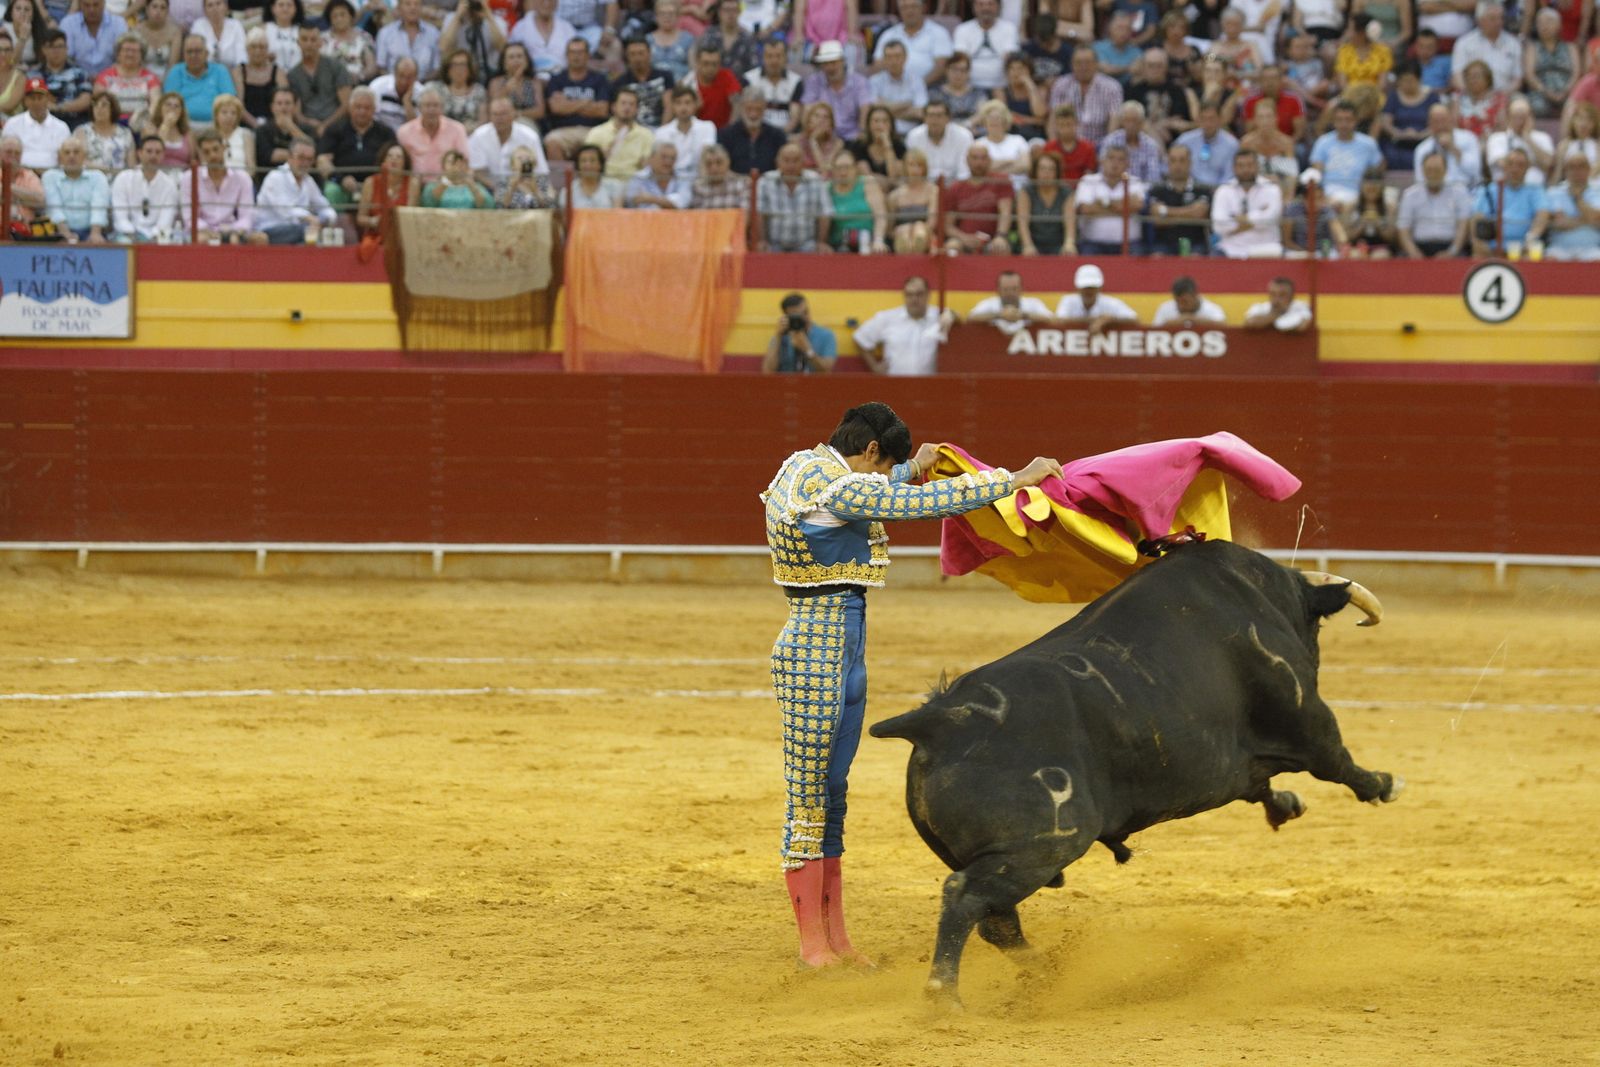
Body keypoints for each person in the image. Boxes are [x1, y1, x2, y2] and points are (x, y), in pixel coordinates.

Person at [763, 401, 1060, 968]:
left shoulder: (810, 468)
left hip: (840, 643)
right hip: (814, 650)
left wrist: (910, 465)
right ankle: (812, 948)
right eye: (884, 464)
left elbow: (876, 485)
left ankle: (838, 941)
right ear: (870, 450)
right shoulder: (839, 485)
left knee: (832, 795)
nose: (884, 475)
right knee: (807, 800)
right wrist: (1013, 480)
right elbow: (904, 502)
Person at [853, 275, 955, 375]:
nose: (914, 299)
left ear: (928, 295)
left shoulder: (939, 316)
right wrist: (874, 367)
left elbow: (958, 317)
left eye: (919, 294)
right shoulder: (887, 318)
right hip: (895, 386)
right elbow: (860, 337)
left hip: (930, 386)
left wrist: (952, 315)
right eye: (909, 295)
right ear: (904, 296)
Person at [318, 85, 398, 207]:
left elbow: (395, 161)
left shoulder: (386, 133)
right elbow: (322, 161)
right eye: (358, 107)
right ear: (350, 108)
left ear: (374, 109)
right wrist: (341, 179)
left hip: (377, 184)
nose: (362, 111)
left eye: (367, 108)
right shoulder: (334, 129)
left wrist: (374, 182)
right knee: (332, 191)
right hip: (342, 185)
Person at [182, 129, 262, 244]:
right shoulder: (189, 178)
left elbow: (247, 217)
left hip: (233, 230)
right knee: (201, 239)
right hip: (202, 232)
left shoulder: (242, 178)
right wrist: (210, 231)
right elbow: (189, 218)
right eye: (206, 152)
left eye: (216, 149)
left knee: (259, 239)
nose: (213, 155)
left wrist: (230, 231)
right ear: (200, 153)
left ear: (224, 148)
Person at [1067, 143, 1146, 255]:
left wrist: (1102, 203)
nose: (1115, 163)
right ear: (1102, 161)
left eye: (1120, 159)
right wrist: (1123, 207)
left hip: (1130, 245)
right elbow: (1085, 209)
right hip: (1093, 244)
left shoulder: (1135, 182)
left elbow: (1137, 205)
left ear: (1128, 164)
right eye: (1111, 158)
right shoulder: (1088, 180)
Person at [256, 137, 338, 242]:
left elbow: (323, 205)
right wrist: (310, 218)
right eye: (301, 158)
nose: (305, 163)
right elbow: (285, 210)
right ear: (289, 157)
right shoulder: (275, 177)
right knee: (308, 233)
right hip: (270, 229)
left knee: (328, 234)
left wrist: (327, 219)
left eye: (309, 159)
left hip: (298, 231)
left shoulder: (308, 181)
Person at [542, 37, 611, 160]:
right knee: (551, 141)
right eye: (572, 52)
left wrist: (568, 104)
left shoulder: (599, 79)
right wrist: (586, 102)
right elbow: (556, 108)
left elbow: (602, 110)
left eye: (580, 52)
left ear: (588, 55)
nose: (576, 56)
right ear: (567, 55)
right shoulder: (557, 80)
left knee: (608, 142)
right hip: (564, 131)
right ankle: (560, 180)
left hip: (594, 130)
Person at [756, 141, 831, 250]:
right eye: (786, 160)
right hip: (773, 246)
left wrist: (821, 242)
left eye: (796, 160)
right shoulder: (765, 181)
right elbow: (759, 213)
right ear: (778, 161)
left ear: (803, 162)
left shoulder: (815, 180)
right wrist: (762, 240)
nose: (791, 165)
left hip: (807, 246)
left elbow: (825, 213)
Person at [1309, 99, 1384, 206]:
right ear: (1333, 121)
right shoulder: (1323, 142)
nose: (1344, 124)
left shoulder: (1368, 144)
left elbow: (1375, 173)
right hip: (1329, 193)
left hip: (1360, 194)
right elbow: (1317, 174)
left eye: (1348, 120)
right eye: (1339, 120)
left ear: (1356, 121)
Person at [1526, 151, 1600, 260]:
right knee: (1549, 259)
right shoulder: (1553, 193)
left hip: (1591, 249)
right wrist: (1587, 220)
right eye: (1572, 167)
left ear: (1589, 169)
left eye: (1581, 167)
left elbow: (1596, 218)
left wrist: (1578, 199)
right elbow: (1557, 222)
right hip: (1559, 249)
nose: (1577, 171)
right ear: (1565, 171)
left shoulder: (1597, 191)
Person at [1397, 149, 1472, 256]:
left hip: (1450, 246)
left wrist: (1452, 252)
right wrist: (1414, 253)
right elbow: (1403, 228)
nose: (1432, 174)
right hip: (1418, 246)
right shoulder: (1410, 195)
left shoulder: (1459, 193)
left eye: (1437, 170)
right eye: (1429, 170)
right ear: (1422, 170)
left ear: (1445, 170)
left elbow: (1463, 226)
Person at [1211, 147, 1283, 257]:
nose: (1245, 170)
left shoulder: (1272, 189)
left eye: (1250, 165)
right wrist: (1259, 215)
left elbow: (1270, 219)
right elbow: (1219, 226)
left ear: (1257, 166)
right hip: (1230, 249)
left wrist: (1240, 219)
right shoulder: (1224, 190)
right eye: (1241, 166)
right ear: (1234, 168)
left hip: (1266, 248)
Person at [943, 143, 1012, 254]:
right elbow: (948, 225)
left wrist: (1000, 235)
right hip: (963, 240)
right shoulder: (955, 188)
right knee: (951, 247)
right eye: (974, 158)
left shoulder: (1001, 181)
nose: (979, 163)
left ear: (989, 160)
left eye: (983, 158)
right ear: (967, 160)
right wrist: (964, 238)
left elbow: (1005, 213)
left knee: (1001, 247)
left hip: (992, 239)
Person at [109, 134, 180, 240]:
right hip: (127, 236)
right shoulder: (123, 178)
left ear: (163, 155)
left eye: (158, 152)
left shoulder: (170, 184)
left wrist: (151, 238)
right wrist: (135, 237)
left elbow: (166, 221)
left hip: (157, 238)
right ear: (140, 153)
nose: (153, 156)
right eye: (149, 151)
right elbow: (120, 218)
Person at [1147, 142, 1213, 255]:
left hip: (1196, 243)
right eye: (1173, 160)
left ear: (1190, 163)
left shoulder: (1202, 189)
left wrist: (1166, 211)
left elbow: (1199, 215)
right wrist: (1189, 213)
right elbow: (1157, 220)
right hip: (1164, 244)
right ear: (1167, 163)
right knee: (1157, 258)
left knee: (1197, 259)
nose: (1177, 165)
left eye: (1182, 160)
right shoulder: (1157, 190)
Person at [1470, 145, 1539, 253]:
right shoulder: (1488, 190)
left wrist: (1531, 237)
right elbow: (1478, 218)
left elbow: (1542, 215)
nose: (1515, 169)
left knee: (1535, 250)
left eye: (1520, 165)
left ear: (1527, 168)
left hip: (1523, 247)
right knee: (1478, 247)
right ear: (1504, 166)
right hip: (1491, 247)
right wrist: (1479, 243)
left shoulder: (1535, 191)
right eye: (1510, 164)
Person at [1048, 44, 1123, 143]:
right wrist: (1055, 147)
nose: (1083, 67)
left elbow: (1114, 121)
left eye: (1088, 62)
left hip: (1099, 144)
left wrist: (1106, 149)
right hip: (1067, 144)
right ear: (1071, 65)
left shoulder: (1112, 87)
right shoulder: (1061, 84)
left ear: (1096, 64)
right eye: (1078, 63)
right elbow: (1053, 119)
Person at [291, 22, 355, 136]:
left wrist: (325, 125)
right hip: (307, 128)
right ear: (298, 43)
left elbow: (346, 104)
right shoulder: (292, 75)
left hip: (337, 126)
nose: (309, 44)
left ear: (321, 42)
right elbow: (296, 112)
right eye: (304, 39)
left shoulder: (336, 67)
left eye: (313, 39)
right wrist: (309, 123)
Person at [43, 137, 111, 243]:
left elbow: (99, 207)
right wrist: (66, 234)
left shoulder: (98, 177)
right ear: (60, 157)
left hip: (90, 231)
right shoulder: (49, 176)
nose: (71, 156)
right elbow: (54, 208)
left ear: (84, 156)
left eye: (76, 152)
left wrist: (95, 233)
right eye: (67, 152)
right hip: (58, 231)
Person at [870, 0, 952, 86]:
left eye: (914, 6)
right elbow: (878, 66)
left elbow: (941, 67)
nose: (909, 11)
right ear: (899, 11)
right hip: (893, 89)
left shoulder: (939, 32)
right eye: (905, 7)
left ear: (923, 8)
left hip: (929, 88)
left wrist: (917, 87)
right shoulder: (889, 34)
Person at [800, 39, 870, 142]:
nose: (830, 67)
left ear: (842, 61)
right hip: (822, 136)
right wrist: (808, 133)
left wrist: (862, 132)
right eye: (826, 63)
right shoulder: (814, 81)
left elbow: (865, 108)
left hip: (853, 137)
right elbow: (807, 109)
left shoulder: (858, 81)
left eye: (833, 62)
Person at [398, 85, 471, 176]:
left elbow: (463, 161)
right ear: (419, 108)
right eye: (427, 105)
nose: (431, 110)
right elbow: (400, 164)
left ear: (442, 108)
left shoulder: (457, 129)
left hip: (446, 184)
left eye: (436, 105)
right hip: (415, 184)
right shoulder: (404, 132)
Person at [581, 83, 651, 177]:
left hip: (634, 184)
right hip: (604, 182)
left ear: (637, 109)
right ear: (613, 107)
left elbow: (648, 168)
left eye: (631, 104)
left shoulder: (647, 135)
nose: (627, 108)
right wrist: (602, 157)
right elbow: (585, 165)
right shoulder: (596, 133)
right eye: (623, 103)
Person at [1451, 0, 1522, 93]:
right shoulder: (1464, 43)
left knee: (1520, 106)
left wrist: (1501, 96)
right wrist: (1472, 94)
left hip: (1505, 95)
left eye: (1501, 18)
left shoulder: (1513, 43)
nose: (1499, 22)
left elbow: (1518, 79)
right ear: (1480, 20)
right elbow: (1457, 76)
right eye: (1493, 18)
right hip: (1471, 95)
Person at [1129, 49, 1196, 144]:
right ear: (1143, 67)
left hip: (1174, 140)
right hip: (1142, 140)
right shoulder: (1134, 90)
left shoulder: (1176, 89)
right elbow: (1133, 118)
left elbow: (1178, 118)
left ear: (1166, 67)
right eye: (1151, 65)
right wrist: (1155, 128)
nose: (1155, 70)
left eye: (1159, 66)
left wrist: (1162, 124)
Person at [162, 32, 232, 124]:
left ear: (206, 54)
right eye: (189, 52)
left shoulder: (220, 71)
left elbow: (229, 102)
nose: (193, 56)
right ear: (183, 55)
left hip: (216, 125)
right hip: (183, 125)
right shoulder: (176, 72)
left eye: (198, 51)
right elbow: (169, 104)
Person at [761, 291, 837, 373]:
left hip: (814, 384)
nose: (804, 317)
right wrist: (778, 336)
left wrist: (807, 350)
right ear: (787, 317)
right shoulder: (781, 336)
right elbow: (768, 371)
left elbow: (826, 369)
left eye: (805, 312)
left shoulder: (825, 335)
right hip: (787, 383)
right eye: (796, 316)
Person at [1484, 95, 1554, 184]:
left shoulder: (1543, 137)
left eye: (1524, 116)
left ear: (1531, 117)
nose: (1521, 121)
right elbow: (1504, 164)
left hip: (1535, 190)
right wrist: (1533, 163)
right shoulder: (1497, 138)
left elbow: (1548, 164)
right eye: (1517, 116)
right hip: (1505, 189)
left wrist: (1528, 138)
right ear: (1508, 117)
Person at [1522, 6, 1576, 119]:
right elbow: (1529, 75)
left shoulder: (1570, 47)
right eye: (1540, 23)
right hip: (1540, 92)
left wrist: (1565, 91)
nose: (1544, 26)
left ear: (1559, 26)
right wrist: (1546, 92)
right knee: (1537, 107)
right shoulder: (1532, 48)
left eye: (1549, 21)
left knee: (1574, 106)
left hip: (1567, 91)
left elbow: (1576, 73)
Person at [1413, 101, 1483, 187]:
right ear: (1429, 124)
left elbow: (1475, 173)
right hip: (1436, 194)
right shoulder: (1422, 149)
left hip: (1468, 192)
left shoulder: (1469, 138)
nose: (1441, 126)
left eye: (1443, 120)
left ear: (1451, 119)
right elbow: (1420, 181)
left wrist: (1453, 148)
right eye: (1436, 122)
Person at [951, 0, 1016, 92]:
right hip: (970, 87)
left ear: (998, 7)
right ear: (973, 7)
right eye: (981, 4)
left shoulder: (1009, 28)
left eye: (990, 4)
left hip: (1002, 86)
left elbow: (1010, 57)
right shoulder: (962, 29)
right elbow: (961, 59)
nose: (986, 8)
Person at [653, 84, 715, 180]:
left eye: (687, 103)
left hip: (699, 178)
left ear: (695, 105)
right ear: (672, 106)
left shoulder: (707, 127)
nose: (683, 107)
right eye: (678, 103)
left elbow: (707, 156)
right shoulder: (661, 132)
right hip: (672, 180)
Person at [95, 35, 162, 124]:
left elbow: (155, 103)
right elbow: (98, 103)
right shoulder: (105, 76)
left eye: (134, 51)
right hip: (112, 122)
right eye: (126, 50)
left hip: (142, 122)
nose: (130, 54)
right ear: (118, 54)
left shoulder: (150, 77)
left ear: (142, 55)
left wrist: (145, 120)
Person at [721, 87, 788, 175]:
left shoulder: (777, 135)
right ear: (741, 107)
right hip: (735, 184)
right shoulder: (726, 135)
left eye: (758, 109)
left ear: (765, 108)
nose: (753, 114)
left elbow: (783, 165)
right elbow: (721, 166)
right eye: (749, 109)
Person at [34, 30, 93, 129]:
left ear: (67, 48)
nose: (56, 51)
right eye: (52, 46)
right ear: (43, 49)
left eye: (60, 46)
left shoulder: (80, 73)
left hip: (76, 121)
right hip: (43, 122)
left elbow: (86, 100)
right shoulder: (35, 74)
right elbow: (33, 100)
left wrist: (59, 108)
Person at [10, 77, 73, 170]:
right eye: (32, 98)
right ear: (25, 101)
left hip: (53, 174)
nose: (36, 102)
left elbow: (66, 157)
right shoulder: (13, 124)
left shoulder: (61, 127)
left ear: (48, 99)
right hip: (21, 174)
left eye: (40, 98)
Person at [1099, 99, 1167, 184]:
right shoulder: (1110, 141)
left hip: (1142, 192)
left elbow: (1153, 178)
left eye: (1134, 121)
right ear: (1122, 122)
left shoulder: (1150, 145)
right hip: (1113, 189)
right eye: (1127, 120)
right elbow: (1102, 172)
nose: (1131, 125)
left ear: (1141, 123)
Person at [903, 98, 971, 183]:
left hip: (955, 187)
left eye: (939, 115)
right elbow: (911, 170)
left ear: (948, 118)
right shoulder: (914, 136)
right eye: (930, 115)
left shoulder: (963, 136)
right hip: (923, 187)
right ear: (924, 118)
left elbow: (964, 172)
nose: (934, 120)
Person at [1055, 262, 1138, 331]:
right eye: (1085, 288)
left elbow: (1134, 319)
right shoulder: (1068, 301)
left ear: (1099, 288)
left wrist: (1109, 320)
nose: (1089, 291)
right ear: (1077, 288)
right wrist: (1097, 320)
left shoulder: (1111, 303)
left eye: (1092, 287)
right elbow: (1059, 320)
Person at [867, 39, 925, 135]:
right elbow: (874, 110)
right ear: (884, 59)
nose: (893, 61)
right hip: (882, 133)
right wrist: (907, 104)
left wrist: (886, 108)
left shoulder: (916, 80)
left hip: (911, 133)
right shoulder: (874, 81)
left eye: (897, 56)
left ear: (905, 57)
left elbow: (920, 112)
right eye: (889, 57)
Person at [1173, 101, 1238, 188]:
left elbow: (1230, 175)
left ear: (1220, 119)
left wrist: (1219, 190)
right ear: (1198, 120)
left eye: (1211, 119)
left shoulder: (1231, 144)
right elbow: (1171, 165)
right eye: (1203, 119)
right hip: (1189, 188)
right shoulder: (1184, 141)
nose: (1207, 124)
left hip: (1220, 190)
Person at [1017, 150, 1070, 255]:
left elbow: (1070, 221)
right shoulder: (1026, 191)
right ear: (1035, 171)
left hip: (1058, 244)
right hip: (1032, 242)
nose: (1047, 173)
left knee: (1069, 252)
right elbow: (1023, 222)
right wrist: (1028, 245)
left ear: (1057, 172)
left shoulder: (1066, 192)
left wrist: (1069, 243)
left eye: (1051, 169)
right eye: (1042, 169)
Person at [968, 269, 1054, 334]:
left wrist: (1023, 315)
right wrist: (999, 315)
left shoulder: (1033, 303)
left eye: (1014, 288)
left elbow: (1050, 319)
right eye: (1006, 289)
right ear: (998, 290)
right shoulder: (989, 303)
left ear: (1021, 289)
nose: (1010, 293)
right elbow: (971, 318)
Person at [613, 35, 673, 129]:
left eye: (641, 53)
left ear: (649, 54)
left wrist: (662, 132)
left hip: (661, 128)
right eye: (632, 54)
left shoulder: (665, 76)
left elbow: (669, 107)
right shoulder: (620, 82)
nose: (637, 58)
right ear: (627, 57)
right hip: (632, 131)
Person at [745, 37, 802, 133]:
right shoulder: (750, 79)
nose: (774, 61)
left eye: (778, 56)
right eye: (769, 56)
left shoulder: (796, 81)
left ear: (786, 58)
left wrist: (780, 136)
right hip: (756, 133)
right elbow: (746, 113)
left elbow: (794, 118)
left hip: (786, 134)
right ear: (763, 58)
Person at [72, 90, 138, 172]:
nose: (99, 108)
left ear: (112, 108)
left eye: (104, 105)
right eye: (95, 105)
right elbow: (79, 161)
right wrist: (105, 170)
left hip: (120, 180)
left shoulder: (125, 133)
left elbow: (131, 165)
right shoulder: (81, 132)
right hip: (91, 179)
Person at [887, 147, 937, 252]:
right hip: (901, 234)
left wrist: (915, 229)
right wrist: (905, 230)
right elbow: (889, 228)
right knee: (903, 231)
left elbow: (932, 222)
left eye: (919, 165)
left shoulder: (933, 190)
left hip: (926, 234)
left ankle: (916, 252)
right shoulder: (894, 196)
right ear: (905, 167)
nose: (915, 170)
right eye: (911, 165)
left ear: (925, 168)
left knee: (919, 230)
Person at [377, 0, 443, 79]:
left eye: (417, 4)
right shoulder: (385, 33)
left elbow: (436, 68)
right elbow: (381, 66)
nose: (413, 8)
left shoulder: (433, 33)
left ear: (422, 7)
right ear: (399, 8)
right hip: (392, 86)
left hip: (424, 85)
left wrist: (419, 85)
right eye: (408, 4)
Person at [61, 0, 127, 77]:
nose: (91, 10)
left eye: (96, 5)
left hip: (112, 77)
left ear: (103, 3)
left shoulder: (118, 23)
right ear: (80, 5)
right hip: (77, 78)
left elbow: (122, 57)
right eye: (87, 5)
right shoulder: (68, 23)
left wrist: (103, 78)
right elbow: (67, 57)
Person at [687, 42, 743, 129]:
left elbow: (736, 103)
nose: (710, 68)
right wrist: (695, 108)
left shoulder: (726, 76)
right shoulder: (688, 83)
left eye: (715, 64)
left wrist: (730, 129)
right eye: (706, 63)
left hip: (723, 131)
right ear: (697, 63)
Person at [323, 0, 380, 84]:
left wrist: (360, 76)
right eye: (335, 16)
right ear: (330, 20)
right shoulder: (323, 39)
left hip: (359, 82)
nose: (339, 19)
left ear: (350, 16)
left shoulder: (364, 36)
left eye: (343, 14)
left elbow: (371, 66)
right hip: (331, 84)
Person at [699, 0, 759, 77]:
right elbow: (700, 59)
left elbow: (753, 69)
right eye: (726, 10)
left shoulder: (748, 38)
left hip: (741, 84)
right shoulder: (709, 34)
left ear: (739, 12)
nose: (730, 14)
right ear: (719, 12)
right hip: (712, 82)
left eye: (734, 10)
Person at [624, 139, 691, 207]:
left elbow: (682, 203)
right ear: (652, 158)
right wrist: (668, 203)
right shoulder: (638, 178)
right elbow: (633, 201)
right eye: (664, 157)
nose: (668, 161)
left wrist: (650, 199)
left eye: (672, 158)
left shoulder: (682, 178)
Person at [1039, 104, 1097, 179]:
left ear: (1076, 124)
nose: (1066, 129)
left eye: (1069, 124)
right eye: (1062, 125)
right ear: (1056, 126)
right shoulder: (1048, 148)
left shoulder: (1088, 148)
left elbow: (1089, 177)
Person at [926, 51, 984, 126]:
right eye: (954, 69)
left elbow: (982, 113)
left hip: (973, 131)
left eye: (963, 70)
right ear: (946, 70)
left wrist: (967, 124)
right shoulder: (934, 93)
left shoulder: (978, 93)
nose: (958, 74)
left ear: (969, 73)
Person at [560, 141, 624, 208]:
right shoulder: (568, 190)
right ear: (578, 165)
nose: (588, 165)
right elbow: (565, 216)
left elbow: (618, 214)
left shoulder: (614, 186)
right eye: (583, 161)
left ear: (600, 165)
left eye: (592, 160)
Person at [421, 147, 494, 204]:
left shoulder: (477, 187)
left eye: (459, 163)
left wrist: (469, 183)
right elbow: (429, 202)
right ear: (443, 166)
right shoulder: (432, 187)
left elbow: (487, 205)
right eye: (451, 162)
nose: (455, 166)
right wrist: (447, 181)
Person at [1244, 276, 1312, 331]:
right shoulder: (1261, 307)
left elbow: (1301, 326)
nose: (1277, 298)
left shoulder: (1300, 307)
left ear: (1291, 296)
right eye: (1273, 294)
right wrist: (1278, 313)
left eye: (1282, 295)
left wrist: (1267, 321)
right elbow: (1250, 323)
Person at [1152, 275, 1226, 325]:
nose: (1181, 305)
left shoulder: (1211, 309)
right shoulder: (1165, 308)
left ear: (1195, 296)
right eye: (1177, 301)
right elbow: (1154, 330)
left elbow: (1224, 325)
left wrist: (1192, 319)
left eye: (1185, 301)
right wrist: (1175, 323)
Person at [371, 56, 421, 129]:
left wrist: (407, 102)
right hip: (382, 134)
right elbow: (371, 117)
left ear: (416, 77)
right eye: (401, 75)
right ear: (394, 73)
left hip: (407, 137)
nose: (404, 82)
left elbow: (417, 128)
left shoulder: (422, 94)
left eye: (409, 77)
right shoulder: (378, 87)